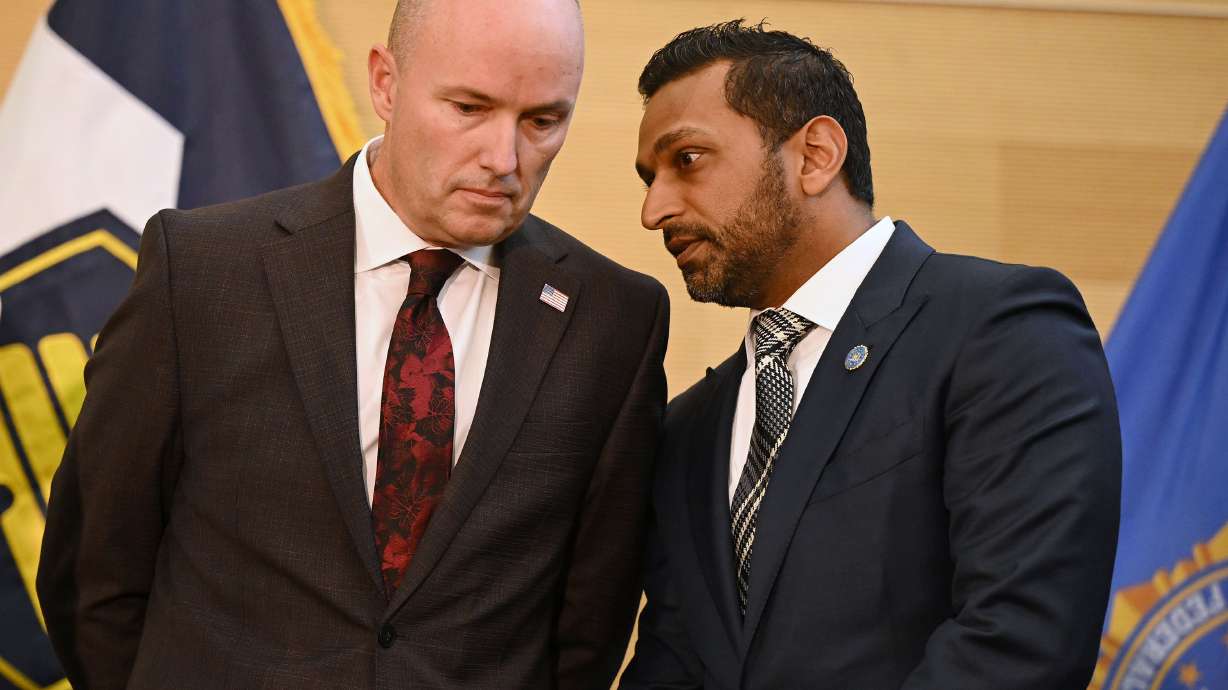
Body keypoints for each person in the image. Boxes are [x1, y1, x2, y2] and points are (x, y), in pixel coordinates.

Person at [36, 1, 668, 687]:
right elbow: (94, 572)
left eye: (542, 120)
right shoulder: (202, 270)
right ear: (386, 84)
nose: (503, 158)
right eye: (468, 108)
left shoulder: (613, 321)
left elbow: (589, 624)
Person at [621, 20, 1119, 690]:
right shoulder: (688, 428)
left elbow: (1021, 641)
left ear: (816, 155)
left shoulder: (999, 327)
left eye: (686, 160)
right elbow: (674, 661)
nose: (654, 210)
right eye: (649, 177)